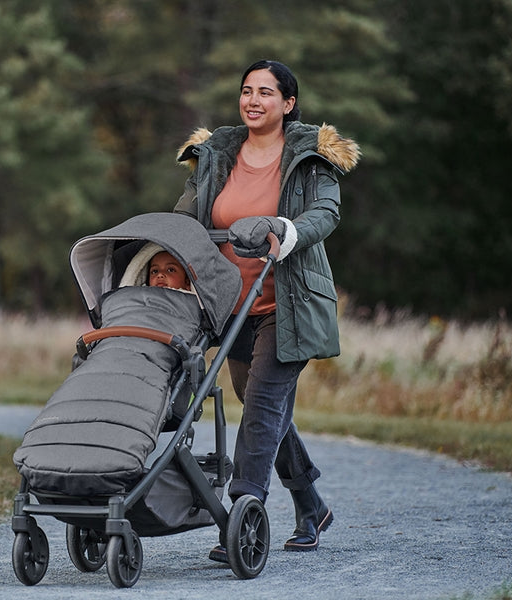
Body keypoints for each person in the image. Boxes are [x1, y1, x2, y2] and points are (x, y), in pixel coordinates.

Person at [173, 59, 360, 560]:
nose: (253, 100)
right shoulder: (216, 153)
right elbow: (185, 215)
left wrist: (284, 228)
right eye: (246, 91)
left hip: (288, 303)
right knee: (260, 401)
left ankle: (242, 511)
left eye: (266, 93)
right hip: (233, 306)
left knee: (260, 407)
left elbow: (326, 212)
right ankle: (311, 504)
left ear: (288, 103)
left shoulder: (310, 155)